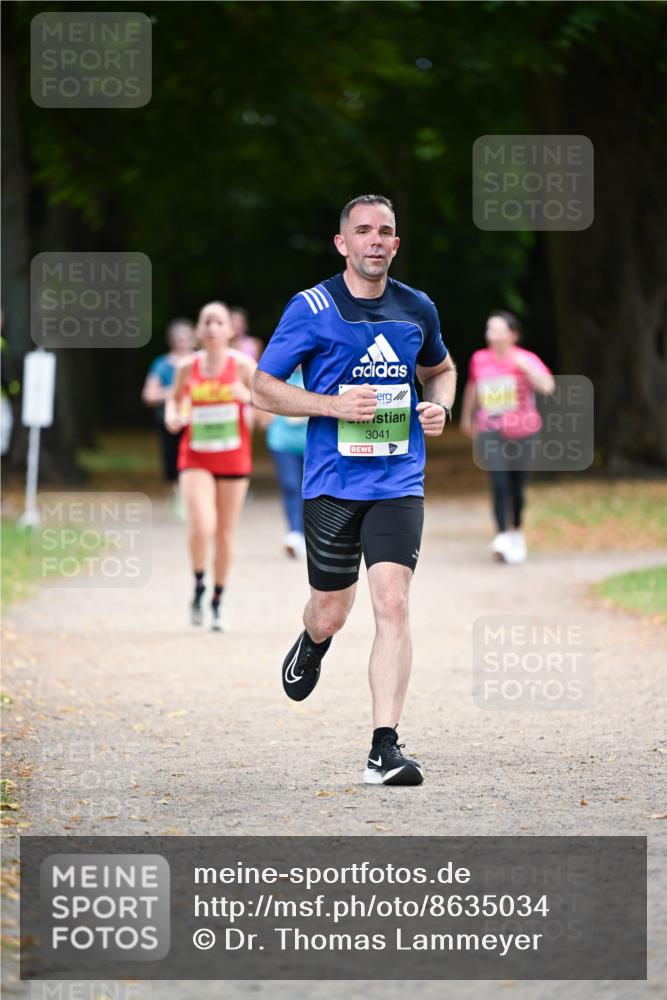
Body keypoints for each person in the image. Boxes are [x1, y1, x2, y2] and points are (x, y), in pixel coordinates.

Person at [252, 194, 456, 786]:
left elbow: (441, 368)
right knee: (332, 608)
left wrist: (439, 405)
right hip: (332, 484)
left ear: (396, 244)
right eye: (362, 231)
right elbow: (262, 388)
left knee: (392, 603)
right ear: (342, 243)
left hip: (398, 481)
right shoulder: (312, 307)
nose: (375, 240)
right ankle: (313, 640)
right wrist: (330, 404)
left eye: (385, 232)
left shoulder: (417, 307)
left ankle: (383, 748)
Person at [165, 302, 256, 632]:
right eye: (208, 322)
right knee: (201, 526)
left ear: (230, 330)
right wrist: (172, 417)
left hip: (233, 458)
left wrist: (247, 397)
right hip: (195, 457)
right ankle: (199, 584)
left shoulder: (245, 367)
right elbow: (173, 400)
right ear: (199, 331)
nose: (214, 328)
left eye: (220, 322)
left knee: (224, 531)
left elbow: (266, 415)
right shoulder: (187, 367)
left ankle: (217, 599)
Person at [460, 311, 555, 564]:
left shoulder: (526, 358)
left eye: (499, 330)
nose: (492, 335)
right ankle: (502, 534)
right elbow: (472, 386)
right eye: (489, 330)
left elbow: (547, 386)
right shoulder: (479, 358)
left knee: (517, 487)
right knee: (499, 481)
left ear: (513, 334)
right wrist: (466, 416)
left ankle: (516, 531)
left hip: (524, 430)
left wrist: (526, 369)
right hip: (491, 429)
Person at [142, 319, 195, 515]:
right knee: (172, 462)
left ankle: (192, 500)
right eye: (178, 339)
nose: (182, 343)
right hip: (169, 420)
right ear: (171, 341)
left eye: (186, 339)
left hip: (196, 420)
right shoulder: (162, 364)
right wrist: (173, 392)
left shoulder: (200, 361)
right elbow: (148, 395)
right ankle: (177, 498)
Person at [266, 368, 308, 560]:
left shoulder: (320, 369)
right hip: (282, 442)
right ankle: (295, 533)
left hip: (313, 442)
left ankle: (313, 534)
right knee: (291, 486)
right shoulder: (274, 375)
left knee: (313, 489)